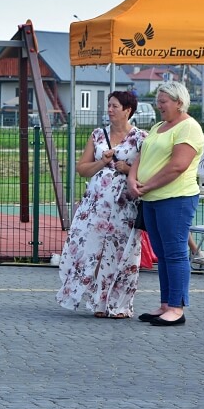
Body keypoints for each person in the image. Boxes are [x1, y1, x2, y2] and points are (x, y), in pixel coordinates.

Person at [56, 91, 148, 318]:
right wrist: (102, 162)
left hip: (124, 205)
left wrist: (127, 169)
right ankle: (98, 302)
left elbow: (147, 172)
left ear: (127, 110)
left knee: (122, 253)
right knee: (94, 250)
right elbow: (81, 169)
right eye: (109, 105)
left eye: (115, 106)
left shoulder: (141, 138)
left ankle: (120, 305)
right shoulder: (98, 135)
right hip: (96, 203)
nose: (109, 110)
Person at [128, 81, 204, 327]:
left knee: (175, 253)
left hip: (175, 198)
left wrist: (147, 185)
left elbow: (178, 166)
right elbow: (142, 155)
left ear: (179, 102)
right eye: (158, 101)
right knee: (162, 254)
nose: (158, 106)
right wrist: (132, 178)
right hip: (152, 199)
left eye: (163, 101)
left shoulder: (189, 128)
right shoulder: (158, 126)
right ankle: (166, 304)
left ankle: (176, 307)